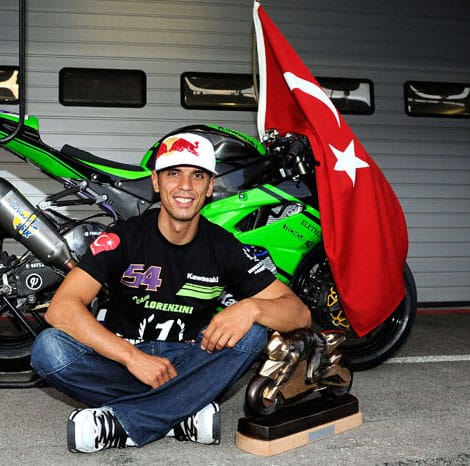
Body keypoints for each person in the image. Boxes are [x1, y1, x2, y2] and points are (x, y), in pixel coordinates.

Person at [30, 131, 311, 454]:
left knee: (253, 332)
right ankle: (180, 413)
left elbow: (299, 313)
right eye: (173, 173)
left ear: (210, 186)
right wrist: (132, 357)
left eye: (198, 175)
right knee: (49, 349)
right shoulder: (125, 237)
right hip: (122, 359)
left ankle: (129, 421)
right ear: (156, 181)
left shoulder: (223, 246)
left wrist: (252, 308)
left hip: (189, 362)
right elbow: (62, 309)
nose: (185, 186)